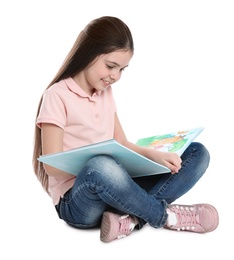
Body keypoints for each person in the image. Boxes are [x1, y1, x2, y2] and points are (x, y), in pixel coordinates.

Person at [32, 16, 219, 243]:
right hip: (78, 202)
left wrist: (158, 156)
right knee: (101, 166)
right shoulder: (57, 95)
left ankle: (130, 220)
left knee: (197, 153)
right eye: (111, 66)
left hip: (116, 189)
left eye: (122, 69)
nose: (116, 76)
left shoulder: (105, 93)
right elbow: (51, 167)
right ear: (89, 53)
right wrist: (95, 162)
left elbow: (121, 143)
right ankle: (165, 216)